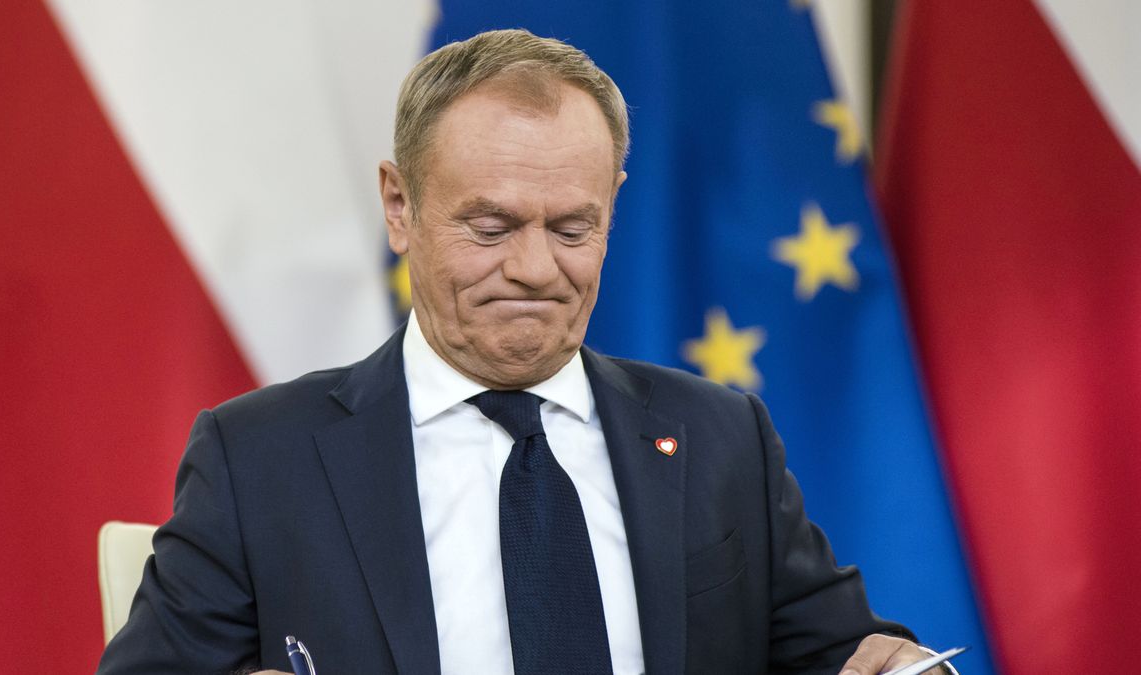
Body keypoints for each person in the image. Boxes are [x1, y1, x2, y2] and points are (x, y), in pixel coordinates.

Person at [98, 29, 950, 675]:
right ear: (400, 206)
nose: (536, 269)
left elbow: (853, 654)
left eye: (572, 227)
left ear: (613, 206)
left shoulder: (720, 437)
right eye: (491, 225)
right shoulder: (259, 460)